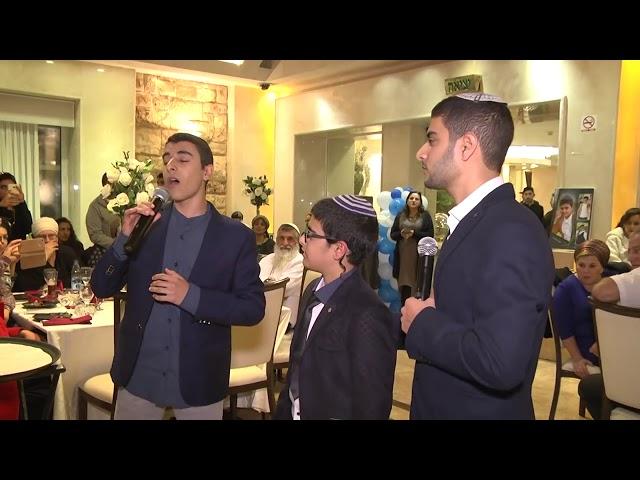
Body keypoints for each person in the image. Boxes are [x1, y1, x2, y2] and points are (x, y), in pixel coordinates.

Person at [400, 93, 554, 420]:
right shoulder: (479, 222)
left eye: (432, 139)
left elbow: (501, 362)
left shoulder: (512, 230)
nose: (421, 152)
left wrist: (423, 322)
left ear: (466, 146)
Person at [91, 132, 265, 420]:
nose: (170, 165)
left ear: (207, 172)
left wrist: (191, 295)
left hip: (199, 379)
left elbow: (252, 308)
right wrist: (123, 239)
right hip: (138, 376)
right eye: (167, 159)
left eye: (182, 159)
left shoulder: (236, 237)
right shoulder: (146, 226)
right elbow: (101, 285)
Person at [274, 195, 397, 419]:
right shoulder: (312, 289)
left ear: (339, 250)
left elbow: (371, 405)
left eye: (310, 234)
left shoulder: (368, 313)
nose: (302, 240)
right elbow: (296, 372)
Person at [552, 240, 610, 378]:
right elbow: (564, 330)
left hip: (607, 342)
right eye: (581, 265)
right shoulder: (565, 289)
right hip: (585, 348)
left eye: (592, 266)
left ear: (602, 267)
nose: (585, 271)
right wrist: (577, 358)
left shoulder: (610, 284)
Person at [390, 191, 434, 305]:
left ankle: (415, 311)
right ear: (407, 201)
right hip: (402, 254)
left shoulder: (425, 216)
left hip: (418, 255)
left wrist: (414, 233)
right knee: (404, 284)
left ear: (420, 202)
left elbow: (430, 235)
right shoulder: (400, 215)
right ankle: (403, 310)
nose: (413, 201)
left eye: (416, 199)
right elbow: (393, 234)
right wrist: (402, 233)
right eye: (411, 198)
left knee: (416, 283)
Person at [13, 217, 78, 292]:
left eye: (51, 236)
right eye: (42, 237)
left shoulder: (67, 253)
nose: (47, 240)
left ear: (57, 237)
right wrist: (43, 257)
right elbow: (25, 286)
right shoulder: (27, 257)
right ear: (34, 239)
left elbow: (77, 277)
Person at [259, 223, 304, 326]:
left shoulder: (300, 262)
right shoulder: (268, 258)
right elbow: (255, 281)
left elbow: (281, 288)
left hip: (285, 322)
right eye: (281, 238)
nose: (285, 243)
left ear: (297, 241)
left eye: (290, 239)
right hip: (263, 314)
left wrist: (265, 283)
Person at [85, 173, 121, 250]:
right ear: (105, 185)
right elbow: (95, 234)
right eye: (112, 184)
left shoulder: (123, 200)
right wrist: (116, 244)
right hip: (107, 251)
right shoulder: (96, 206)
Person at [0, 172, 33, 241]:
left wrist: (22, 202)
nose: (7, 190)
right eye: (3, 187)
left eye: (11, 187)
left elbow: (28, 228)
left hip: (19, 248)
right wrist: (1, 205)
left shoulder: (20, 206)